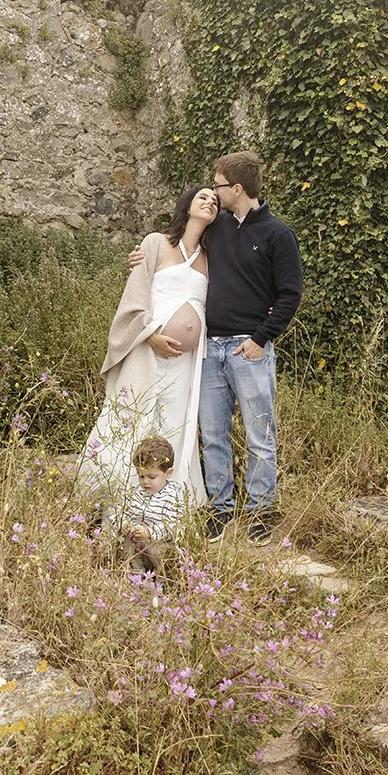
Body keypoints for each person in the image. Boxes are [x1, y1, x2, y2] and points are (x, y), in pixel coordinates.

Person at [130, 152, 303, 545]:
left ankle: (261, 512)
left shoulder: (278, 234)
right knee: (213, 433)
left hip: (249, 350)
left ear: (236, 189)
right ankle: (221, 509)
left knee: (260, 434)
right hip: (210, 350)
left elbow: (290, 294)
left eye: (219, 184)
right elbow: (178, 248)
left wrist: (260, 339)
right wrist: (142, 256)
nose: (215, 191)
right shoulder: (218, 229)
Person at [77, 185, 220, 507]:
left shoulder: (212, 259)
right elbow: (136, 293)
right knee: (131, 416)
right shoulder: (156, 243)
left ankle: (166, 504)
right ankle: (109, 496)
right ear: (187, 205)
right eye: (203, 197)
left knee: (174, 423)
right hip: (148, 350)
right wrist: (151, 332)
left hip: (186, 361)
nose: (210, 202)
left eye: (215, 201)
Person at [110, 435, 191, 575]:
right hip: (138, 543)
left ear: (168, 474)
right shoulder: (135, 492)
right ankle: (134, 574)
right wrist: (124, 524)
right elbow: (121, 511)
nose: (145, 482)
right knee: (125, 542)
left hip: (160, 543)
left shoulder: (174, 495)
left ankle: (163, 578)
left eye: (151, 477)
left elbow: (175, 523)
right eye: (141, 476)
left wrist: (150, 533)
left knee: (158, 549)